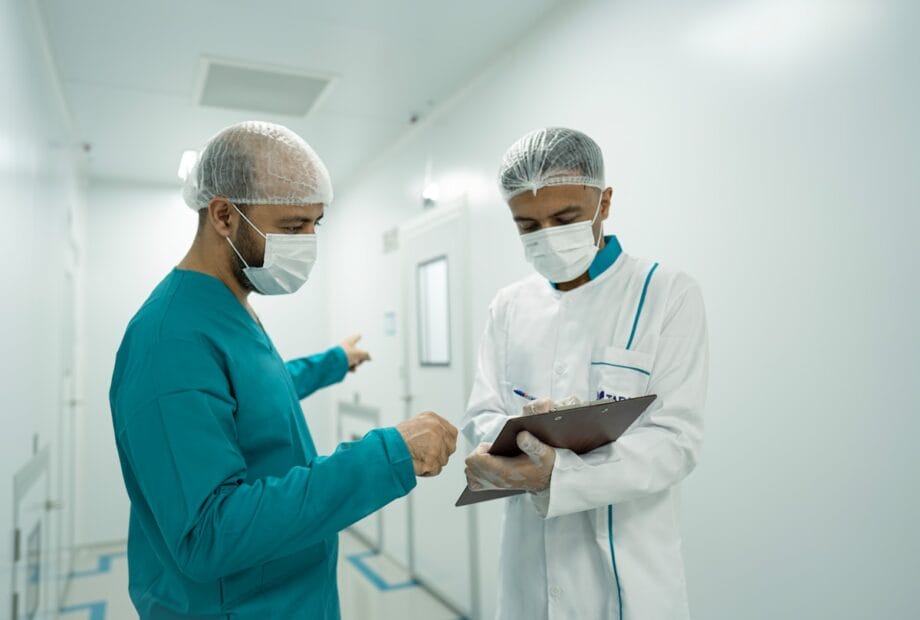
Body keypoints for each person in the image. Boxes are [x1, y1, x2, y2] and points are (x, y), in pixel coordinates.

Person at [110, 121, 457, 619]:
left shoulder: (227, 305)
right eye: (294, 227)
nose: (309, 242)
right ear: (224, 215)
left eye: (317, 223)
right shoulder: (169, 339)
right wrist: (388, 455)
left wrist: (334, 361)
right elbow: (207, 533)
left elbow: (252, 394)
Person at [462, 127, 708, 619]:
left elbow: (677, 441)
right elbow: (484, 413)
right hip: (528, 575)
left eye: (566, 217)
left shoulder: (665, 292)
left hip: (629, 583)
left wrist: (561, 471)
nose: (548, 234)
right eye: (528, 225)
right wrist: (508, 453)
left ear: (605, 202)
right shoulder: (509, 307)